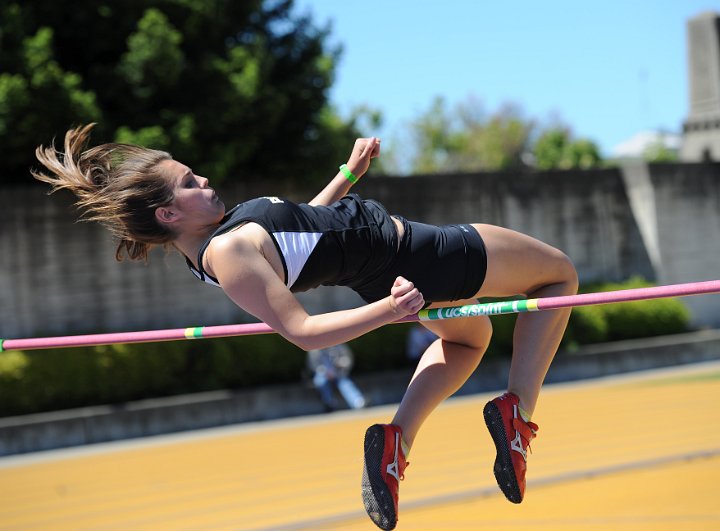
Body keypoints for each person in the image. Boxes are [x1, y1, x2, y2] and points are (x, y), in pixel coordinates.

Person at [33, 124, 578, 531]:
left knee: (470, 339)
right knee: (558, 277)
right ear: (168, 215)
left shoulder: (216, 247)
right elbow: (304, 331)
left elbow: (307, 231)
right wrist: (393, 310)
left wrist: (346, 175)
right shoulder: (230, 252)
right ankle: (519, 413)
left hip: (385, 268)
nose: (204, 179)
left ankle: (397, 442)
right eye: (189, 182)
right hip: (418, 253)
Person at [306, 343, 366, 411]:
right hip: (323, 374)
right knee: (320, 382)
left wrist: (341, 363)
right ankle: (329, 403)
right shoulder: (314, 350)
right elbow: (313, 366)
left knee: (345, 383)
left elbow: (348, 360)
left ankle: (357, 401)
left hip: (338, 372)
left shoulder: (339, 345)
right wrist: (325, 372)